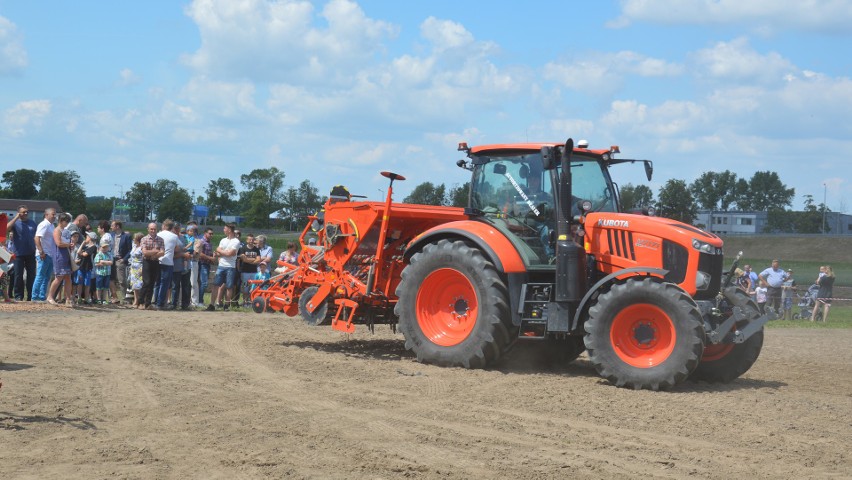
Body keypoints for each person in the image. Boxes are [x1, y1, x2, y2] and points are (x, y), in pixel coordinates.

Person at [7, 204, 38, 301]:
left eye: (27, 212)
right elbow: (7, 228)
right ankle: (18, 296)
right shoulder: (16, 223)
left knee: (31, 275)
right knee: (18, 275)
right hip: (18, 253)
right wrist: (16, 217)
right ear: (19, 213)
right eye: (23, 212)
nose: (26, 213)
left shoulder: (32, 223)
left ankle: (30, 296)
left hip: (31, 252)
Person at [207, 223, 240, 311]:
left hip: (230, 266)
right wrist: (224, 252)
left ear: (229, 229)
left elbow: (230, 253)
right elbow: (218, 249)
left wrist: (221, 252)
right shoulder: (223, 240)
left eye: (225, 228)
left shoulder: (236, 241)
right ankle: (212, 304)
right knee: (215, 285)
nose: (223, 230)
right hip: (221, 265)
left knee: (229, 286)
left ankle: (226, 305)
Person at [47, 213, 77, 307]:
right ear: (61, 221)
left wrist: (71, 245)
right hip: (59, 256)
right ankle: (50, 297)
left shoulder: (66, 231)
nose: (67, 223)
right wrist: (68, 245)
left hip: (66, 255)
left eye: (68, 221)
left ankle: (68, 298)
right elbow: (58, 243)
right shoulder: (57, 230)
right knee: (59, 277)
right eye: (66, 221)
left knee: (68, 277)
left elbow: (67, 242)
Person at [33, 208, 57, 301]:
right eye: (53, 214)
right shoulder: (44, 224)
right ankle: (35, 297)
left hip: (50, 254)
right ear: (46, 215)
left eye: (55, 214)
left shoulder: (51, 226)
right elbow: (36, 238)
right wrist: (41, 251)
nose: (54, 216)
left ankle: (42, 296)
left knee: (47, 277)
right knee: (40, 275)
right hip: (44, 254)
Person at [140, 222, 165, 310]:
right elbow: (144, 252)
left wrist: (153, 253)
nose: (153, 230)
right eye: (151, 229)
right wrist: (155, 251)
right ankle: (141, 302)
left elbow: (162, 252)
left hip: (155, 262)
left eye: (154, 229)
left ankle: (148, 303)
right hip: (146, 262)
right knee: (146, 282)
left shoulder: (161, 239)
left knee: (152, 283)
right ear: (148, 229)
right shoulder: (144, 239)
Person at [155, 219, 179, 310]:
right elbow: (178, 248)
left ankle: (155, 301)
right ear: (172, 227)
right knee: (164, 284)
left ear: (164, 226)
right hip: (168, 262)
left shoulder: (158, 234)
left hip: (158, 260)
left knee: (157, 283)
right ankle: (160, 303)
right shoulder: (174, 236)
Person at [170, 222, 192, 311]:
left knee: (186, 285)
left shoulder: (183, 238)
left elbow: (185, 249)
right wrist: (183, 254)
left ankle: (185, 304)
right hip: (175, 266)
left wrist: (186, 255)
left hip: (185, 266)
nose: (177, 230)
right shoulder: (171, 239)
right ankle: (174, 304)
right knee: (175, 286)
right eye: (175, 229)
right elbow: (172, 252)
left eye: (178, 228)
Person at [111, 220, 133, 304]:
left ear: (117, 226)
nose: (111, 227)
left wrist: (124, 259)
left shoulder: (126, 236)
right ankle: (114, 297)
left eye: (112, 225)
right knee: (112, 280)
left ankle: (124, 298)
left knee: (121, 280)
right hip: (111, 260)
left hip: (120, 260)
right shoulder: (111, 235)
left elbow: (130, 250)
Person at [74, 232, 98, 304]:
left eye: (87, 236)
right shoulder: (85, 247)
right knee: (80, 283)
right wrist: (82, 244)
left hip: (88, 267)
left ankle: (86, 298)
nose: (85, 238)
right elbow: (78, 252)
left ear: (90, 238)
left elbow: (85, 254)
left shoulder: (93, 247)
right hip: (81, 267)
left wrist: (82, 253)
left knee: (87, 284)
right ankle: (79, 298)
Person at [238, 233, 261, 307]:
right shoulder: (243, 249)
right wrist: (254, 259)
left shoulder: (256, 249)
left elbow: (258, 260)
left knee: (253, 288)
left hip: (254, 272)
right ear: (247, 240)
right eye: (249, 239)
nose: (251, 241)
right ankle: (245, 302)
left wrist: (248, 259)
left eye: (252, 239)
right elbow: (243, 259)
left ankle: (251, 303)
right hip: (245, 272)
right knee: (245, 288)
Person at [196, 227, 214, 308]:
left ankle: (200, 300)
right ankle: (200, 301)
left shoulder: (209, 242)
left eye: (212, 234)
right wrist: (210, 258)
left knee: (202, 283)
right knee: (204, 283)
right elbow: (200, 254)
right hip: (202, 264)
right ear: (205, 233)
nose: (211, 235)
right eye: (210, 233)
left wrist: (213, 257)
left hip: (207, 264)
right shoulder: (202, 241)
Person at [128, 232, 144, 307]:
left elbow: (144, 259)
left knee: (140, 285)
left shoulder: (142, 248)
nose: (133, 239)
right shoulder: (134, 246)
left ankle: (140, 301)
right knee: (134, 285)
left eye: (135, 238)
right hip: (133, 267)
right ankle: (135, 300)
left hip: (139, 267)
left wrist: (142, 269)